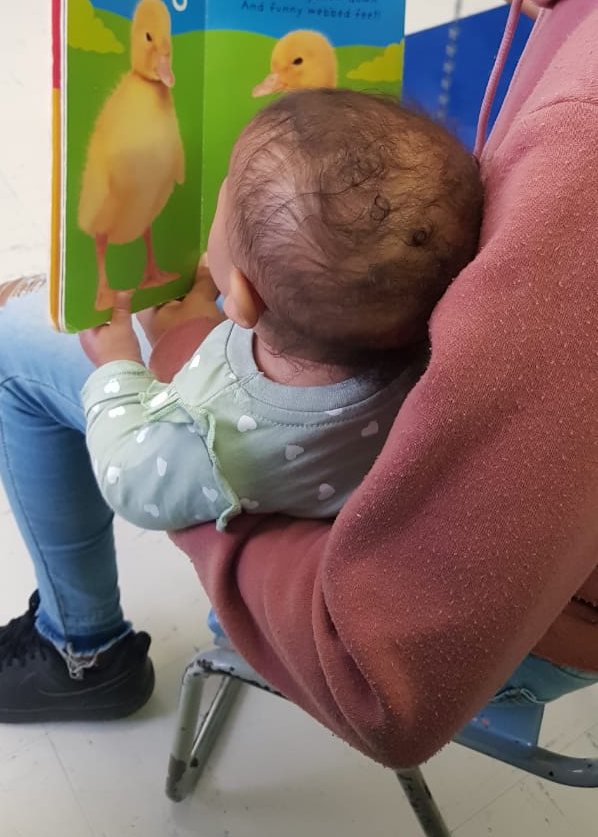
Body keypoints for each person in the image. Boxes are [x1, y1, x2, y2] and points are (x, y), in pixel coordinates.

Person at [0, 0, 598, 766]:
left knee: (20, 330)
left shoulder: (581, 132)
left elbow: (383, 674)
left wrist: (198, 471)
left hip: (395, 533)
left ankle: (78, 644)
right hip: (466, 468)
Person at [79, 91, 481, 534]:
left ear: (243, 302)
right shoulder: (414, 335)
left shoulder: (219, 431)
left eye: (224, 198)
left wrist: (116, 366)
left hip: (235, 492)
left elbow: (128, 480)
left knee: (13, 353)